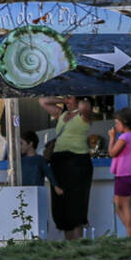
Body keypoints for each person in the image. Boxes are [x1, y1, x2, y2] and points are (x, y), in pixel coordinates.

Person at [39, 96, 95, 240]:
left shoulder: (84, 117)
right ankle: (68, 242)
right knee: (61, 203)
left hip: (78, 161)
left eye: (70, 97)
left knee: (76, 202)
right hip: (59, 162)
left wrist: (80, 98)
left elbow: (85, 108)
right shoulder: (61, 114)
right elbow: (43, 101)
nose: (68, 100)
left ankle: (78, 241)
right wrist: (63, 101)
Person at [110, 108, 131, 237]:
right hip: (128, 174)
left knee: (124, 205)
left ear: (125, 123)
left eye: (117, 123)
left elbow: (112, 152)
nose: (116, 126)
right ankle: (130, 232)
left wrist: (112, 138)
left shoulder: (124, 137)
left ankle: (130, 234)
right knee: (117, 203)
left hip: (126, 174)